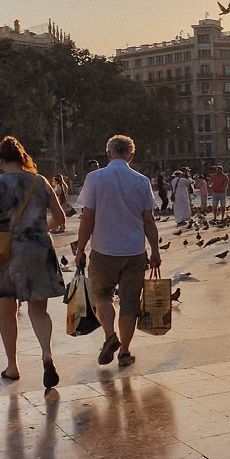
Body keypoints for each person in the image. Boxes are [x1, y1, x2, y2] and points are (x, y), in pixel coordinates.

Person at [0, 136, 67, 387]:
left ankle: (13, 366)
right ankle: (46, 354)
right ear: (23, 157)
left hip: (6, 254)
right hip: (39, 249)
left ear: (2, 160)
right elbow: (60, 218)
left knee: (7, 311)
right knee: (39, 310)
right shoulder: (41, 181)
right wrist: (37, 230)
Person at [75, 135, 160, 369]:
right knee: (130, 304)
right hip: (134, 251)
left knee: (101, 296)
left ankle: (110, 336)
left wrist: (81, 248)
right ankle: (124, 351)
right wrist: (155, 251)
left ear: (108, 153)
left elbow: (87, 218)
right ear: (131, 155)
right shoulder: (142, 181)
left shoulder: (95, 178)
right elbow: (148, 220)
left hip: (103, 250)